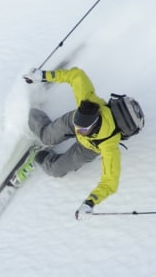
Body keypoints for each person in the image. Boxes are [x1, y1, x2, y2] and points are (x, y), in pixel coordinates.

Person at [22, 66, 122, 220]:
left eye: (81, 129)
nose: (77, 130)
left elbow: (110, 182)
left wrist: (90, 202)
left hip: (90, 147)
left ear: (93, 126)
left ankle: (41, 155)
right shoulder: (86, 99)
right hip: (75, 120)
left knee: (56, 169)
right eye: (77, 126)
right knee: (47, 136)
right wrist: (42, 75)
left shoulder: (109, 145)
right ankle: (28, 112)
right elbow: (76, 75)